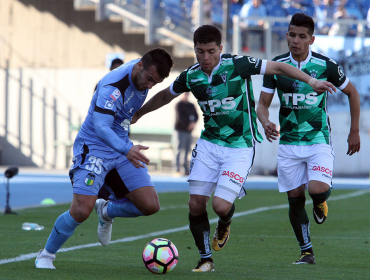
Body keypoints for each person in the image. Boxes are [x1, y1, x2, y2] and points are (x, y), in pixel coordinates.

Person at [132, 24, 336, 272]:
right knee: (196, 203)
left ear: (221, 48)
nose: (205, 58)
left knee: (219, 206)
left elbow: (280, 67)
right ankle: (206, 259)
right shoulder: (191, 76)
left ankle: (225, 219)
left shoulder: (238, 65)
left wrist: (311, 80)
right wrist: (139, 113)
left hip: (240, 145)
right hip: (209, 143)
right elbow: (166, 95)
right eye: (199, 52)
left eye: (210, 51)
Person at [35, 48, 174, 269]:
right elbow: (101, 127)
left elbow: (160, 96)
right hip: (95, 147)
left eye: (154, 83)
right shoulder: (113, 87)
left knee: (150, 205)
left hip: (120, 147)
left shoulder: (142, 75)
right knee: (81, 210)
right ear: (139, 66)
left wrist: (137, 118)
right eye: (149, 79)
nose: (149, 86)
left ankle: (107, 210)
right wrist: (126, 148)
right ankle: (46, 255)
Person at [257, 13, 360, 265]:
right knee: (294, 200)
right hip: (289, 143)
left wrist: (354, 130)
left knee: (316, 190)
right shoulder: (276, 67)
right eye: (292, 35)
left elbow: (353, 92)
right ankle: (306, 252)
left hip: (318, 140)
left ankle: (321, 200)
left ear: (311, 39)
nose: (296, 41)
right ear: (287, 35)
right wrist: (265, 120)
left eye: (302, 36)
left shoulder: (326, 65)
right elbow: (262, 104)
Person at [174, 92, 199, 175]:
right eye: (185, 94)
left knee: (187, 150)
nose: (186, 95)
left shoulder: (191, 105)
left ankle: (185, 168)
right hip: (180, 130)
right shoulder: (178, 105)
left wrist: (192, 124)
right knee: (179, 149)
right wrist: (188, 124)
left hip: (189, 131)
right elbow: (180, 117)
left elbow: (196, 116)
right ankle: (177, 168)